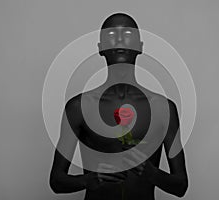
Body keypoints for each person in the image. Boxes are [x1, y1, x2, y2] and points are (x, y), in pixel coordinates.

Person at [49, 13, 188, 200]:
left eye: (128, 33)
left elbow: (181, 186)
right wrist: (88, 180)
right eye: (112, 34)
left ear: (140, 47)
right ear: (100, 48)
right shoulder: (79, 107)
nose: (120, 39)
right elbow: (56, 181)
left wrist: (151, 174)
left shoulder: (163, 108)